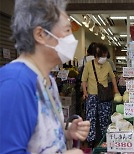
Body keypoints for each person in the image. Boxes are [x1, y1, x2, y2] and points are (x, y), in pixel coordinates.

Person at [0, 0, 90, 153]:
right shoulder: (15, 83)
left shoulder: (47, 80)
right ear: (40, 34)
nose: (72, 39)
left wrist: (67, 132)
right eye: (67, 30)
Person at [81, 43, 120, 147]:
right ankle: (91, 140)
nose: (104, 58)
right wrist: (85, 92)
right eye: (102, 56)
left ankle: (105, 138)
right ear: (96, 56)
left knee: (105, 118)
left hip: (104, 96)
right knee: (91, 118)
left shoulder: (107, 64)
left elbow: (112, 77)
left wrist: (116, 89)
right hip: (91, 95)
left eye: (105, 56)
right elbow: (84, 80)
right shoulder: (89, 64)